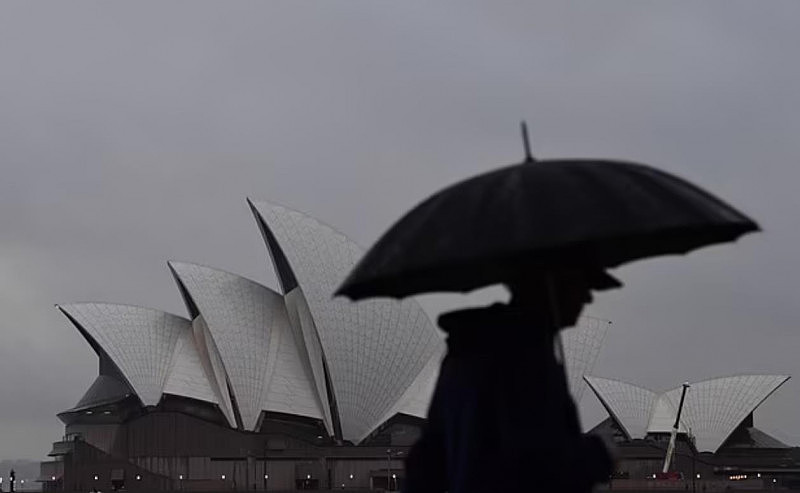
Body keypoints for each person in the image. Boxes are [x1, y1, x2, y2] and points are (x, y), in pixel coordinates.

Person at [403, 269, 619, 493]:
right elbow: (537, 467)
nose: (588, 298)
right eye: (580, 285)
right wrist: (599, 453)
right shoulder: (525, 359)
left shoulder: (464, 350)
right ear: (550, 286)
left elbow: (427, 461)